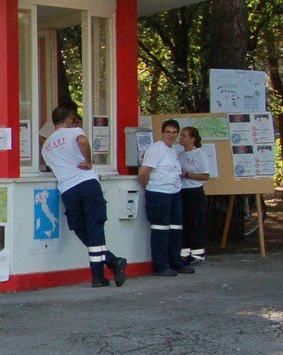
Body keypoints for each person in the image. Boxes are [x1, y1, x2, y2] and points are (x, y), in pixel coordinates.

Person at [40, 104, 127, 287]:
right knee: (95, 227)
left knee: (81, 229)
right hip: (86, 183)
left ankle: (105, 269)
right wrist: (88, 161)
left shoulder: (46, 145)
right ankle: (105, 268)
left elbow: (52, 167)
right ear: (69, 118)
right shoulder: (74, 132)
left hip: (67, 189)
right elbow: (82, 141)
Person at [138, 119, 195, 277]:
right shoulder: (156, 149)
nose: (171, 135)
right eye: (168, 132)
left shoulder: (172, 150)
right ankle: (160, 265)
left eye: (174, 132)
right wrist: (150, 188)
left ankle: (175, 262)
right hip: (159, 193)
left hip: (174, 192)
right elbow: (143, 173)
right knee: (160, 230)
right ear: (162, 133)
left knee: (176, 229)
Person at [177, 126, 211, 264]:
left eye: (184, 136)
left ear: (192, 139)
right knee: (184, 222)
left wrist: (188, 175)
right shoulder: (179, 155)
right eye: (181, 135)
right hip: (182, 191)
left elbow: (205, 175)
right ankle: (184, 253)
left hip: (195, 192)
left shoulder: (200, 154)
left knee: (196, 222)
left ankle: (197, 254)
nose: (181, 138)